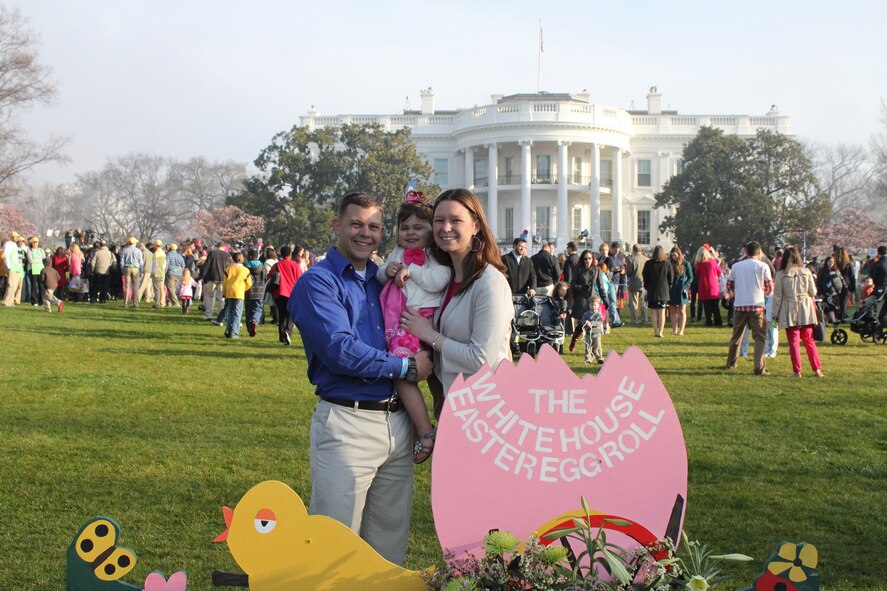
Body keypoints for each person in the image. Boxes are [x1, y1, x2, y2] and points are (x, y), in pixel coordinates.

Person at [292, 191, 433, 566]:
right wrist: (406, 368)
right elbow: (340, 350)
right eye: (356, 224)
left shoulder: (384, 277)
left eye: (373, 226)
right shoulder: (317, 283)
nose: (364, 234)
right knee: (333, 545)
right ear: (337, 225)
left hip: (397, 423)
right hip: (347, 423)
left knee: (387, 547)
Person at [400, 188, 512, 418]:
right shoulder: (445, 280)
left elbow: (481, 359)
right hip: (453, 404)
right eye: (439, 220)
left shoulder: (490, 283)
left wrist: (429, 335)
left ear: (476, 226)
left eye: (456, 220)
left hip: (488, 411)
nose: (446, 228)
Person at [376, 191, 451, 463]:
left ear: (432, 230)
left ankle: (425, 431)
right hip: (399, 319)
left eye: (419, 227)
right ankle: (422, 427)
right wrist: (387, 270)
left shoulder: (433, 255)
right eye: (405, 227)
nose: (410, 232)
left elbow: (439, 280)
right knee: (400, 372)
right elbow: (378, 272)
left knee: (402, 372)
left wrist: (412, 270)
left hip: (418, 319)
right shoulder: (398, 251)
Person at [772, 246, 823, 378]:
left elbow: (777, 297)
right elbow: (813, 292)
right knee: (809, 340)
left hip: (789, 308)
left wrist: (774, 315)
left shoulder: (781, 274)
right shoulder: (806, 272)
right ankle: (817, 369)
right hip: (805, 308)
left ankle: (797, 371)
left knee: (793, 342)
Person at [725, 241, 774, 375]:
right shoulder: (763, 266)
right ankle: (759, 367)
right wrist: (762, 292)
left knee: (736, 336)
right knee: (760, 338)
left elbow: (729, 285)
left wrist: (739, 292)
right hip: (757, 305)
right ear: (759, 252)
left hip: (740, 305)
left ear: (746, 251)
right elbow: (770, 288)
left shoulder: (736, 266)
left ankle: (731, 362)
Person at [568, 249, 607, 351]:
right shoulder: (578, 269)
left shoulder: (597, 270)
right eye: (585, 258)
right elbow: (572, 284)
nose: (587, 260)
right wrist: (581, 287)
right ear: (582, 259)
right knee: (582, 323)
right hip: (581, 298)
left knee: (594, 323)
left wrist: (605, 300)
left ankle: (594, 348)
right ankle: (574, 340)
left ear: (592, 259)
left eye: (589, 258)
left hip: (592, 299)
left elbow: (601, 286)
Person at [267, 245, 302, 345]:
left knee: (281, 314)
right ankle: (287, 332)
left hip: (279, 293)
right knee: (290, 315)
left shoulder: (277, 265)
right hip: (292, 293)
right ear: (290, 254)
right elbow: (299, 279)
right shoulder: (295, 265)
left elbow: (269, 276)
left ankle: (282, 335)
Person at [642, 245, 675, 338]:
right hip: (663, 291)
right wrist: (668, 286)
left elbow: (645, 276)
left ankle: (655, 331)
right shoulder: (667, 264)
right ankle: (661, 331)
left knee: (653, 312)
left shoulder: (648, 263)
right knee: (661, 312)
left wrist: (647, 286)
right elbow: (671, 278)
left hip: (652, 291)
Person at [221, 251, 251, 339]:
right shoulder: (245, 270)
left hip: (229, 292)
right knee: (237, 313)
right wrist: (243, 289)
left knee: (230, 312)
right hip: (239, 293)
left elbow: (224, 282)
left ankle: (228, 330)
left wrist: (225, 292)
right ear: (240, 259)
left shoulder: (229, 269)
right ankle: (234, 332)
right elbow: (249, 283)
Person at [694, 245, 723, 327]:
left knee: (707, 307)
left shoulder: (699, 264)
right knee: (715, 306)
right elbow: (719, 272)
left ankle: (709, 321)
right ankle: (718, 321)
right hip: (713, 286)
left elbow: (697, 273)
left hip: (704, 286)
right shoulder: (713, 262)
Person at [668, 246, 693, 336]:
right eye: (672, 256)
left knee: (682, 310)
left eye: (675, 255)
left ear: (679, 255)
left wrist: (685, 286)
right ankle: (674, 330)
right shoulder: (669, 264)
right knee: (673, 310)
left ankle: (681, 330)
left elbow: (690, 277)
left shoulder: (686, 264)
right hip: (672, 290)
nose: (674, 257)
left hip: (682, 290)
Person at [201, 242, 230, 321]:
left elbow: (207, 265)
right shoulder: (227, 255)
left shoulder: (212, 253)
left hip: (211, 277)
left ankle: (208, 315)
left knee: (209, 296)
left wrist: (203, 276)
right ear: (224, 247)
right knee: (222, 298)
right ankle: (221, 315)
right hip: (223, 278)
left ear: (217, 246)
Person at [243, 248, 266, 337]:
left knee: (248, 310)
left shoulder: (245, 266)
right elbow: (265, 278)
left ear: (250, 256)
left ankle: (250, 329)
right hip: (260, 291)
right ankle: (254, 321)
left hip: (248, 291)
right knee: (258, 309)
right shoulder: (262, 267)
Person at [625, 244, 648, 325]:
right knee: (643, 303)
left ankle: (634, 320)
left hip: (634, 284)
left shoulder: (632, 260)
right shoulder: (646, 259)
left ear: (633, 250)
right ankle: (644, 319)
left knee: (634, 303)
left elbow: (628, 272)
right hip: (644, 284)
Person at [581, 293, 605, 364]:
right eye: (592, 305)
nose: (593, 306)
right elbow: (583, 320)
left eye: (595, 305)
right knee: (588, 347)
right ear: (589, 305)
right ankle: (588, 358)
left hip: (597, 333)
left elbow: (600, 322)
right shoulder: (586, 314)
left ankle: (599, 358)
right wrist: (586, 322)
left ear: (598, 305)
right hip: (588, 334)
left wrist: (592, 323)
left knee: (597, 346)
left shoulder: (599, 314)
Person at [119, 237, 143, 308]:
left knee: (127, 286)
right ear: (134, 243)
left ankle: (126, 303)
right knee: (136, 287)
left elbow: (122, 262)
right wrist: (141, 271)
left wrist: (123, 270)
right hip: (135, 268)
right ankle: (136, 303)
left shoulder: (125, 251)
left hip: (127, 268)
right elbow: (141, 262)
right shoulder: (138, 251)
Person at [2, 232, 24, 307]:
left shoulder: (15, 245)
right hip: (11, 267)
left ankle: (10, 301)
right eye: (15, 237)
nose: (16, 238)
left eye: (17, 237)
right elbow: (5, 256)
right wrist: (8, 266)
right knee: (11, 284)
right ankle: (7, 301)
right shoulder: (8, 244)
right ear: (11, 237)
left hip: (17, 267)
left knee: (15, 285)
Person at [25, 236, 44, 306]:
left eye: (36, 242)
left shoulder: (41, 250)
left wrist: (37, 260)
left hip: (40, 269)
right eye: (34, 242)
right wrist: (38, 260)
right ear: (32, 243)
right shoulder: (29, 251)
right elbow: (31, 260)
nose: (36, 243)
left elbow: (43, 259)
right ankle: (34, 301)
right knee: (33, 286)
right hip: (32, 269)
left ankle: (41, 301)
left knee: (40, 286)